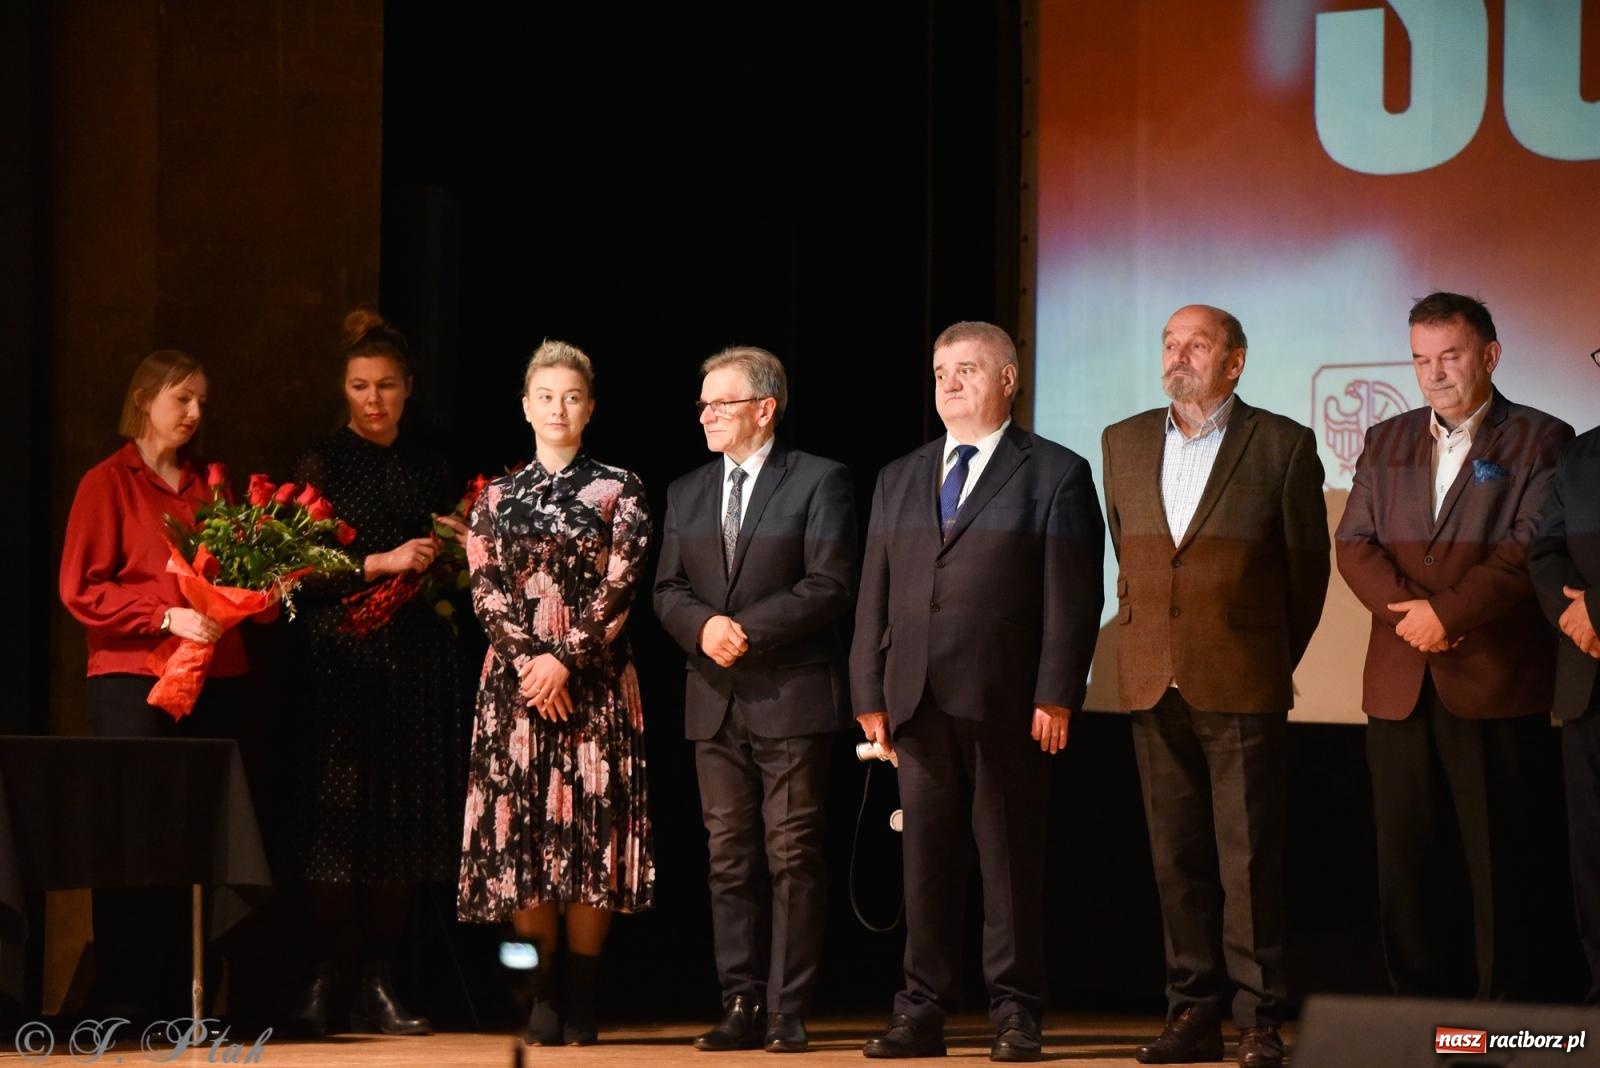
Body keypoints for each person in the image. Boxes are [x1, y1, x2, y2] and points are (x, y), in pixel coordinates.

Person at [850, 321, 1103, 1062]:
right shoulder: (900, 474)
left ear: (1007, 380)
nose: (949, 383)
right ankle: (920, 1010)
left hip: (1008, 701)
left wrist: (1057, 692)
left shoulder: (1055, 472)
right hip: (916, 699)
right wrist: (870, 687)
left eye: (966, 370)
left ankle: (1015, 1012)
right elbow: (876, 590)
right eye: (939, 371)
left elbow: (1075, 597)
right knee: (924, 864)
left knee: (1008, 863)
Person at [1101, 306, 1328, 1068]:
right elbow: (1133, 559)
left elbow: (1307, 576)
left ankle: (1258, 1020)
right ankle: (1191, 1013)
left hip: (1242, 678)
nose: (1179, 355)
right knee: (1177, 861)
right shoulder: (1123, 441)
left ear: (1235, 362)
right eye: (1169, 342)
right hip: (1148, 680)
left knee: (1250, 860)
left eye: (1197, 344)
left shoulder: (1283, 445)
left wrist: (1261, 654)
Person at [1336, 292, 1573, 1000]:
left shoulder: (1542, 438)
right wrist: (1414, 618)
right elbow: (1353, 543)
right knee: (1406, 868)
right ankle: (1419, 1020)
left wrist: (1447, 615)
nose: (1433, 373)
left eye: (1450, 356)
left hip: (1495, 682)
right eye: (1420, 358)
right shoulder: (1386, 438)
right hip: (1400, 683)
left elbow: (1526, 547)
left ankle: (1501, 1022)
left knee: (1501, 869)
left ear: (1490, 356)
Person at [653, 346, 857, 1054]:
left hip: (792, 693)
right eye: (704, 403)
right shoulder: (685, 491)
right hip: (713, 697)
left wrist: (747, 630)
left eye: (722, 402)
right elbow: (667, 589)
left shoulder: (819, 481)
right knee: (728, 858)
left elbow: (829, 582)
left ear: (765, 408)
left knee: (793, 853)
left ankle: (786, 1008)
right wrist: (703, 626)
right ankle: (738, 1001)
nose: (706, 414)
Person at [457, 339, 654, 1046]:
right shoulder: (495, 498)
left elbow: (623, 583)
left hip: (594, 682)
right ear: (525, 407)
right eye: (546, 396)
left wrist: (564, 662)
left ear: (591, 406)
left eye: (572, 396)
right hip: (515, 690)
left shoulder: (620, 487)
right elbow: (484, 591)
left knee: (589, 837)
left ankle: (582, 993)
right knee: (528, 837)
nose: (559, 407)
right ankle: (541, 992)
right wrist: (528, 666)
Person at [283, 309, 468, 1036]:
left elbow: (453, 575)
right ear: (344, 388)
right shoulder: (321, 463)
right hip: (340, 663)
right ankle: (328, 976)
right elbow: (295, 570)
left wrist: (454, 552)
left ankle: (378, 981)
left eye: (387, 386)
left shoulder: (431, 464)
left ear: (408, 387)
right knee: (334, 828)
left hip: (414, 665)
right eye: (361, 386)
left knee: (401, 826)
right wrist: (377, 564)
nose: (374, 399)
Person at [59, 348, 249, 1019]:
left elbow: (233, 572)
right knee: (132, 839)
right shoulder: (107, 482)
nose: (195, 414)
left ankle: (185, 993)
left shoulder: (211, 488)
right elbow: (79, 587)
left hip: (208, 680)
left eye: (202, 402)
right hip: (132, 682)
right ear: (145, 400)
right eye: (182, 399)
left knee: (194, 839)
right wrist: (162, 613)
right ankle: (124, 996)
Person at [1529, 349, 1600, 1003]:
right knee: (1591, 858)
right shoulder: (1580, 457)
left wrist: (1596, 609)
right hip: (1589, 686)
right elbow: (1544, 549)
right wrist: (1573, 618)